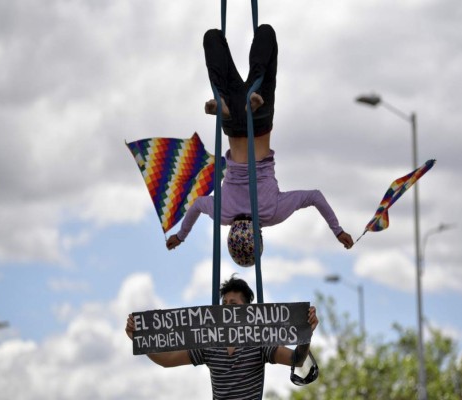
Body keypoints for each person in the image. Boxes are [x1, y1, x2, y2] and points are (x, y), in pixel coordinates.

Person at [166, 25, 354, 265]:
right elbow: (196, 206)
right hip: (232, 124)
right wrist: (181, 236)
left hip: (260, 122)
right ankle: (229, 103)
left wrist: (337, 231)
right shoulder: (222, 213)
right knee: (212, 38)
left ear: (260, 236)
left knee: (266, 35)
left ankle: (252, 98)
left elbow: (314, 197)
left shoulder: (273, 213)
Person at [125, 275, 319, 400]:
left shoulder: (260, 342)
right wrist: (139, 339)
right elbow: (167, 360)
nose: (227, 309)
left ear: (247, 310)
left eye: (233, 304)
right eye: (224, 303)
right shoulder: (210, 343)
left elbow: (296, 359)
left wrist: (305, 334)